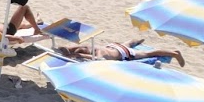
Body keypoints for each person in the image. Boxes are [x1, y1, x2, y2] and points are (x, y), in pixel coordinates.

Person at [57, 38, 186, 65]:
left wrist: (75, 54)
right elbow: (79, 49)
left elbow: (97, 59)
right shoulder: (89, 47)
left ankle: (175, 53)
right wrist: (68, 51)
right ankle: (137, 40)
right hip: (116, 46)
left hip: (124, 53)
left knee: (149, 54)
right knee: (129, 43)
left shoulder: (99, 54)